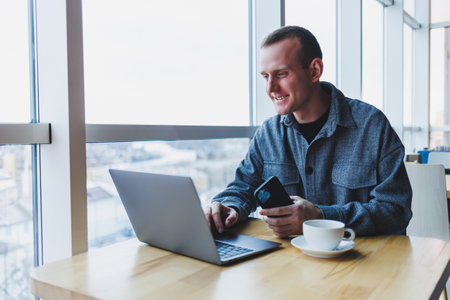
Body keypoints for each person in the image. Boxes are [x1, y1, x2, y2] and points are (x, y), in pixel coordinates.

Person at [204, 26, 412, 238]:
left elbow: (395, 211)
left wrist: (321, 217)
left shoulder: (372, 126)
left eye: (281, 74)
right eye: (266, 76)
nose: (271, 88)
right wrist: (228, 207)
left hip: (363, 263)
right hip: (291, 263)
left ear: (314, 71)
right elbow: (242, 188)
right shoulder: (268, 134)